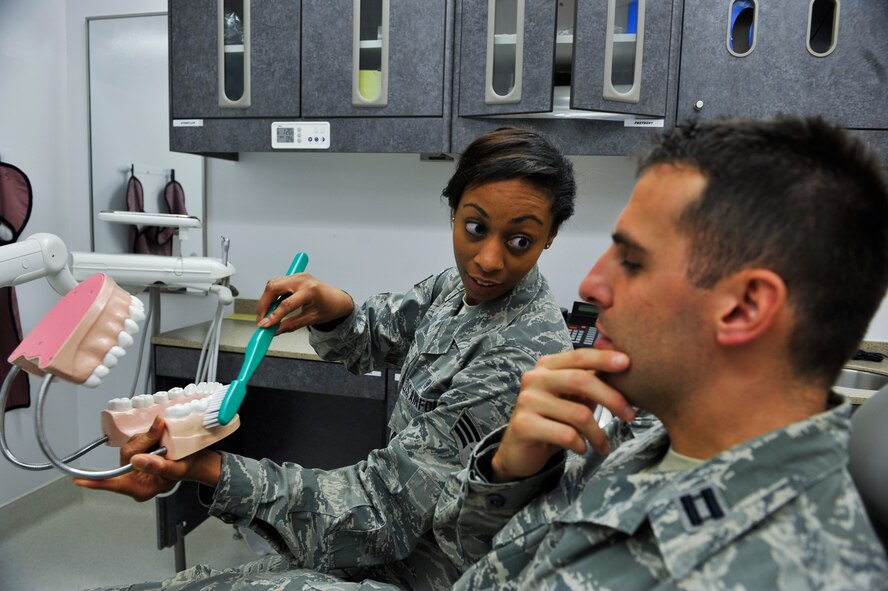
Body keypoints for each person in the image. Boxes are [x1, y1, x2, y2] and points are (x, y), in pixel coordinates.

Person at [75, 127, 577, 590]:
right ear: (454, 213)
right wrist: (334, 308)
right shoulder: (457, 288)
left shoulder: (520, 354)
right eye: (474, 228)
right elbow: (375, 334)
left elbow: (383, 512)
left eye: (519, 241)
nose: (489, 259)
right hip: (387, 544)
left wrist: (208, 471)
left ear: (550, 237)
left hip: (430, 571)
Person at [433, 116, 888, 589]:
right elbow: (478, 566)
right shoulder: (641, 435)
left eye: (632, 261)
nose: (591, 285)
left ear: (744, 308)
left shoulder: (791, 574)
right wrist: (509, 473)